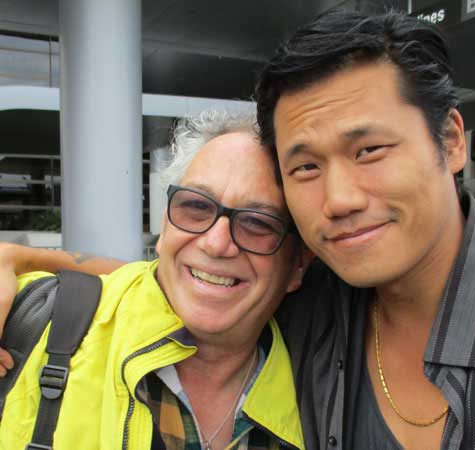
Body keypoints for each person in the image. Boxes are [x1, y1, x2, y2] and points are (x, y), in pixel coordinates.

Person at [2, 9, 475, 450]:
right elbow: (191, 275)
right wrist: (20, 258)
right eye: (306, 166)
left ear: (449, 140)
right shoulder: (317, 308)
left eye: (368, 149)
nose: (338, 199)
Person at [0, 111, 311, 450]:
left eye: (258, 222)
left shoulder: (327, 385)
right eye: (195, 206)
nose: (216, 243)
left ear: (297, 264)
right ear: (165, 225)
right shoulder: (29, 319)